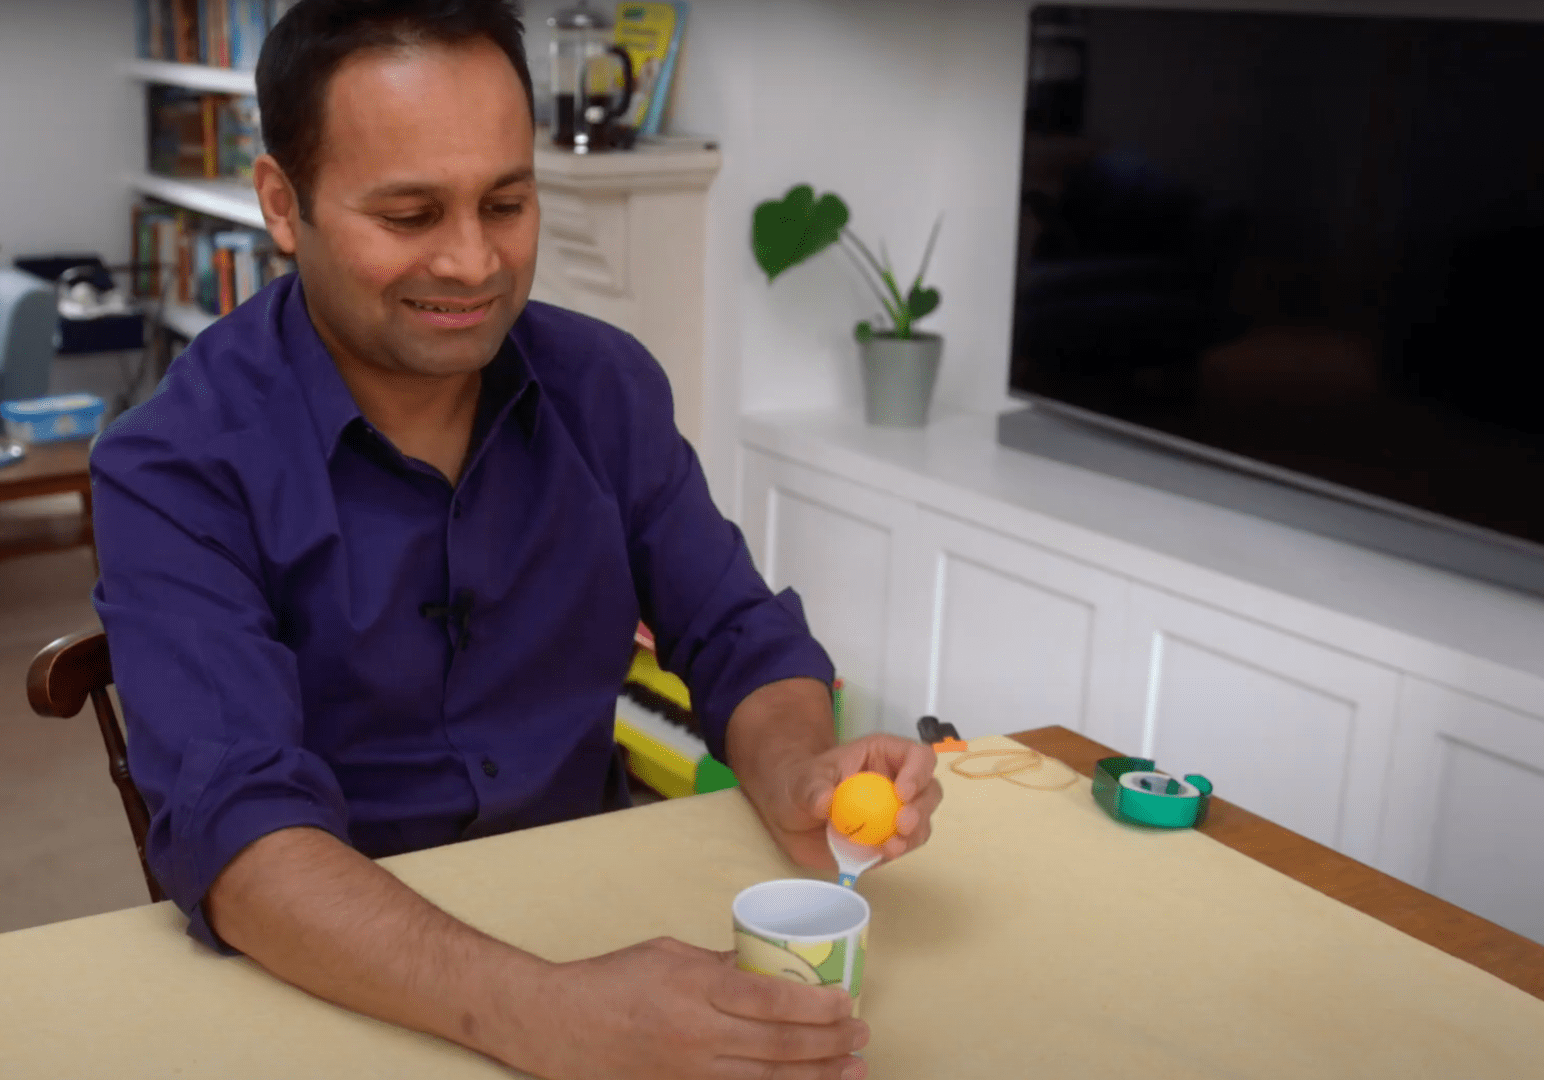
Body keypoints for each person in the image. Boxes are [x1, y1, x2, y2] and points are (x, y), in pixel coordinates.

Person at [89, 1, 943, 1077]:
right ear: (282, 205)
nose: (472, 262)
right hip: (343, 975)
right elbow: (240, 835)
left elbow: (738, 637)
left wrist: (802, 776)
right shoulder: (170, 464)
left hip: (597, 912)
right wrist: (548, 1014)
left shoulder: (606, 383)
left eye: (507, 201)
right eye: (408, 215)